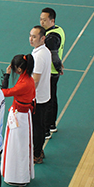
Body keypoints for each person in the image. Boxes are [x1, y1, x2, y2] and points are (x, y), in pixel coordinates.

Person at [1, 54, 36, 185]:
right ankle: (18, 175)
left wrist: (6, 75)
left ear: (19, 69)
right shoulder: (27, 78)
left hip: (20, 118)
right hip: (21, 115)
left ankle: (17, 177)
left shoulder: (24, 83)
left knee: (17, 147)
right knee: (19, 146)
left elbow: (4, 92)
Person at [40, 8, 65, 138]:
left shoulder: (51, 38)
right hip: (54, 71)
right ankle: (52, 125)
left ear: (52, 20)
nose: (42, 22)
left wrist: (58, 67)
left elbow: (54, 55)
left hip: (49, 73)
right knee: (53, 98)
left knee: (47, 101)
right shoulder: (59, 29)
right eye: (41, 19)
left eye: (44, 20)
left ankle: (46, 130)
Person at [30, 25, 51, 164]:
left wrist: (26, 94)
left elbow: (35, 80)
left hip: (37, 98)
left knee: (37, 128)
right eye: (30, 36)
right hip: (44, 96)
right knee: (40, 126)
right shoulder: (45, 51)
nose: (31, 39)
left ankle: (37, 154)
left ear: (42, 38)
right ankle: (39, 150)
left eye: (34, 36)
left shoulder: (39, 56)